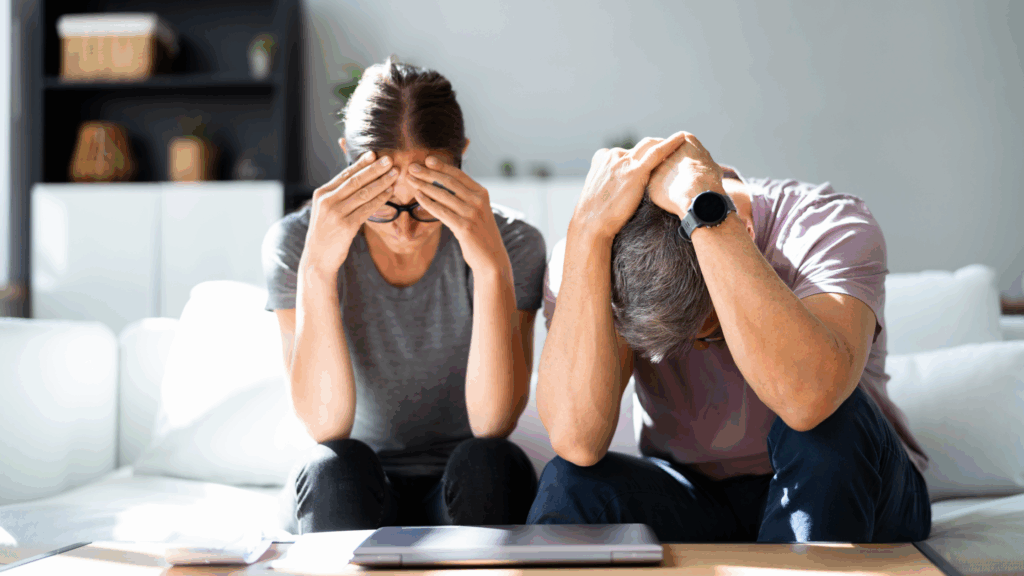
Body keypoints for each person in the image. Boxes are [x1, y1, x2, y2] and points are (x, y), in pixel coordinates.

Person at [527, 131, 931, 543]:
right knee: (570, 482)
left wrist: (709, 217)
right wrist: (587, 233)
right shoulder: (594, 250)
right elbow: (576, 441)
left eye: (710, 334)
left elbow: (808, 401)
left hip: (848, 480)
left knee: (826, 428)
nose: (701, 353)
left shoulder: (825, 224)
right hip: (697, 490)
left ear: (748, 232)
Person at [262, 57, 545, 533]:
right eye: (384, 204)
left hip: (465, 480)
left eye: (427, 200)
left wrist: (490, 267)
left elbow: (492, 423)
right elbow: (325, 426)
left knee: (490, 461)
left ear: (461, 161)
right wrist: (317, 267)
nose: (406, 227)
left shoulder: (512, 242)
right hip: (356, 485)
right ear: (347, 161)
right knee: (332, 466)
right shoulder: (296, 243)